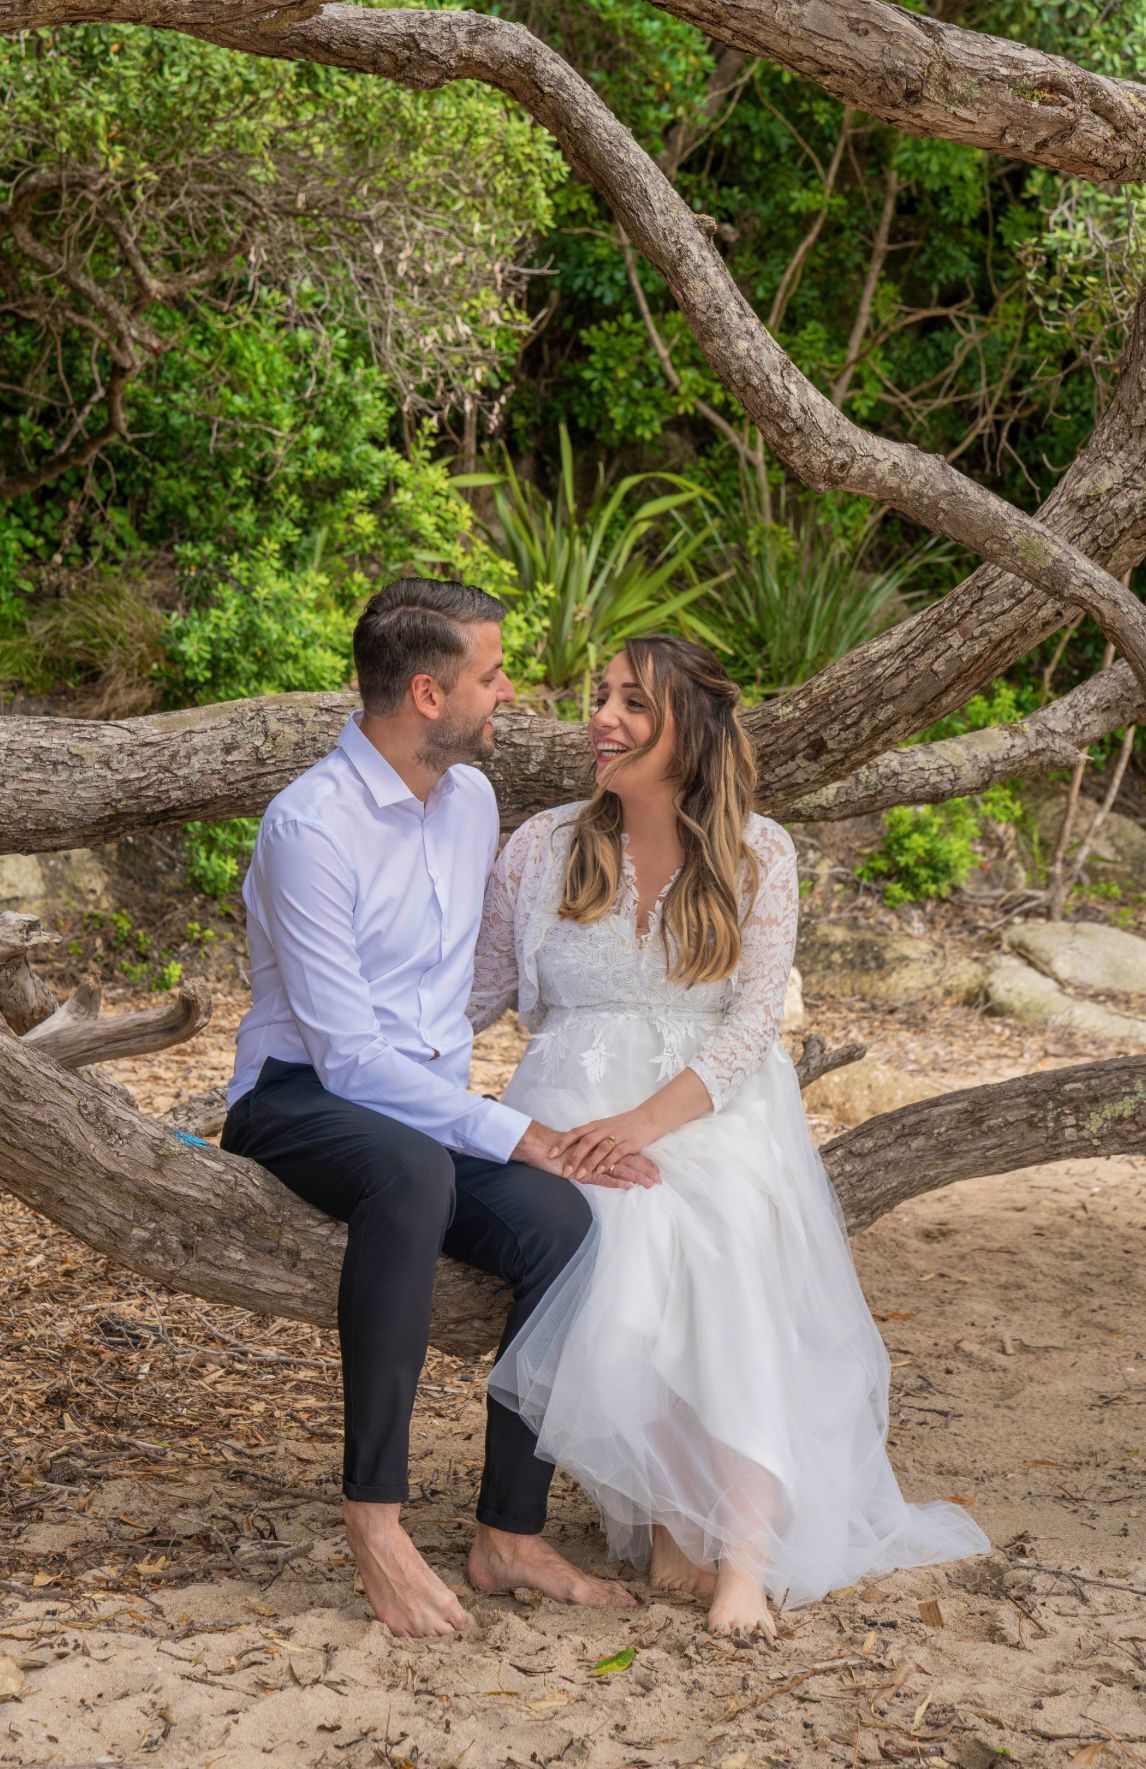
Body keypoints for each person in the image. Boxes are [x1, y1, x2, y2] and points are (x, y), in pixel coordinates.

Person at [468, 633, 991, 1639]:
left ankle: (740, 1556)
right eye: (600, 696)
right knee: (625, 1242)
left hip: (710, 1105)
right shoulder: (540, 847)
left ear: (692, 730)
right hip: (567, 1114)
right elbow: (476, 996)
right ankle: (673, 1507)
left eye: (633, 703)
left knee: (729, 1241)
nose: (603, 718)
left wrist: (647, 1121)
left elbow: (755, 1024)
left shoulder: (761, 851)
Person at [220, 578, 657, 1639]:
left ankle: (509, 1529)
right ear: (427, 692)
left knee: (564, 1224)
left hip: (414, 1101)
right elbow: (350, 1057)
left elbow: (464, 990)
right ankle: (374, 1515)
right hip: (298, 1094)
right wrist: (517, 1130)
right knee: (410, 1171)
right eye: (492, 675)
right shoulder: (308, 827)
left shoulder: (470, 803)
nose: (509, 691)